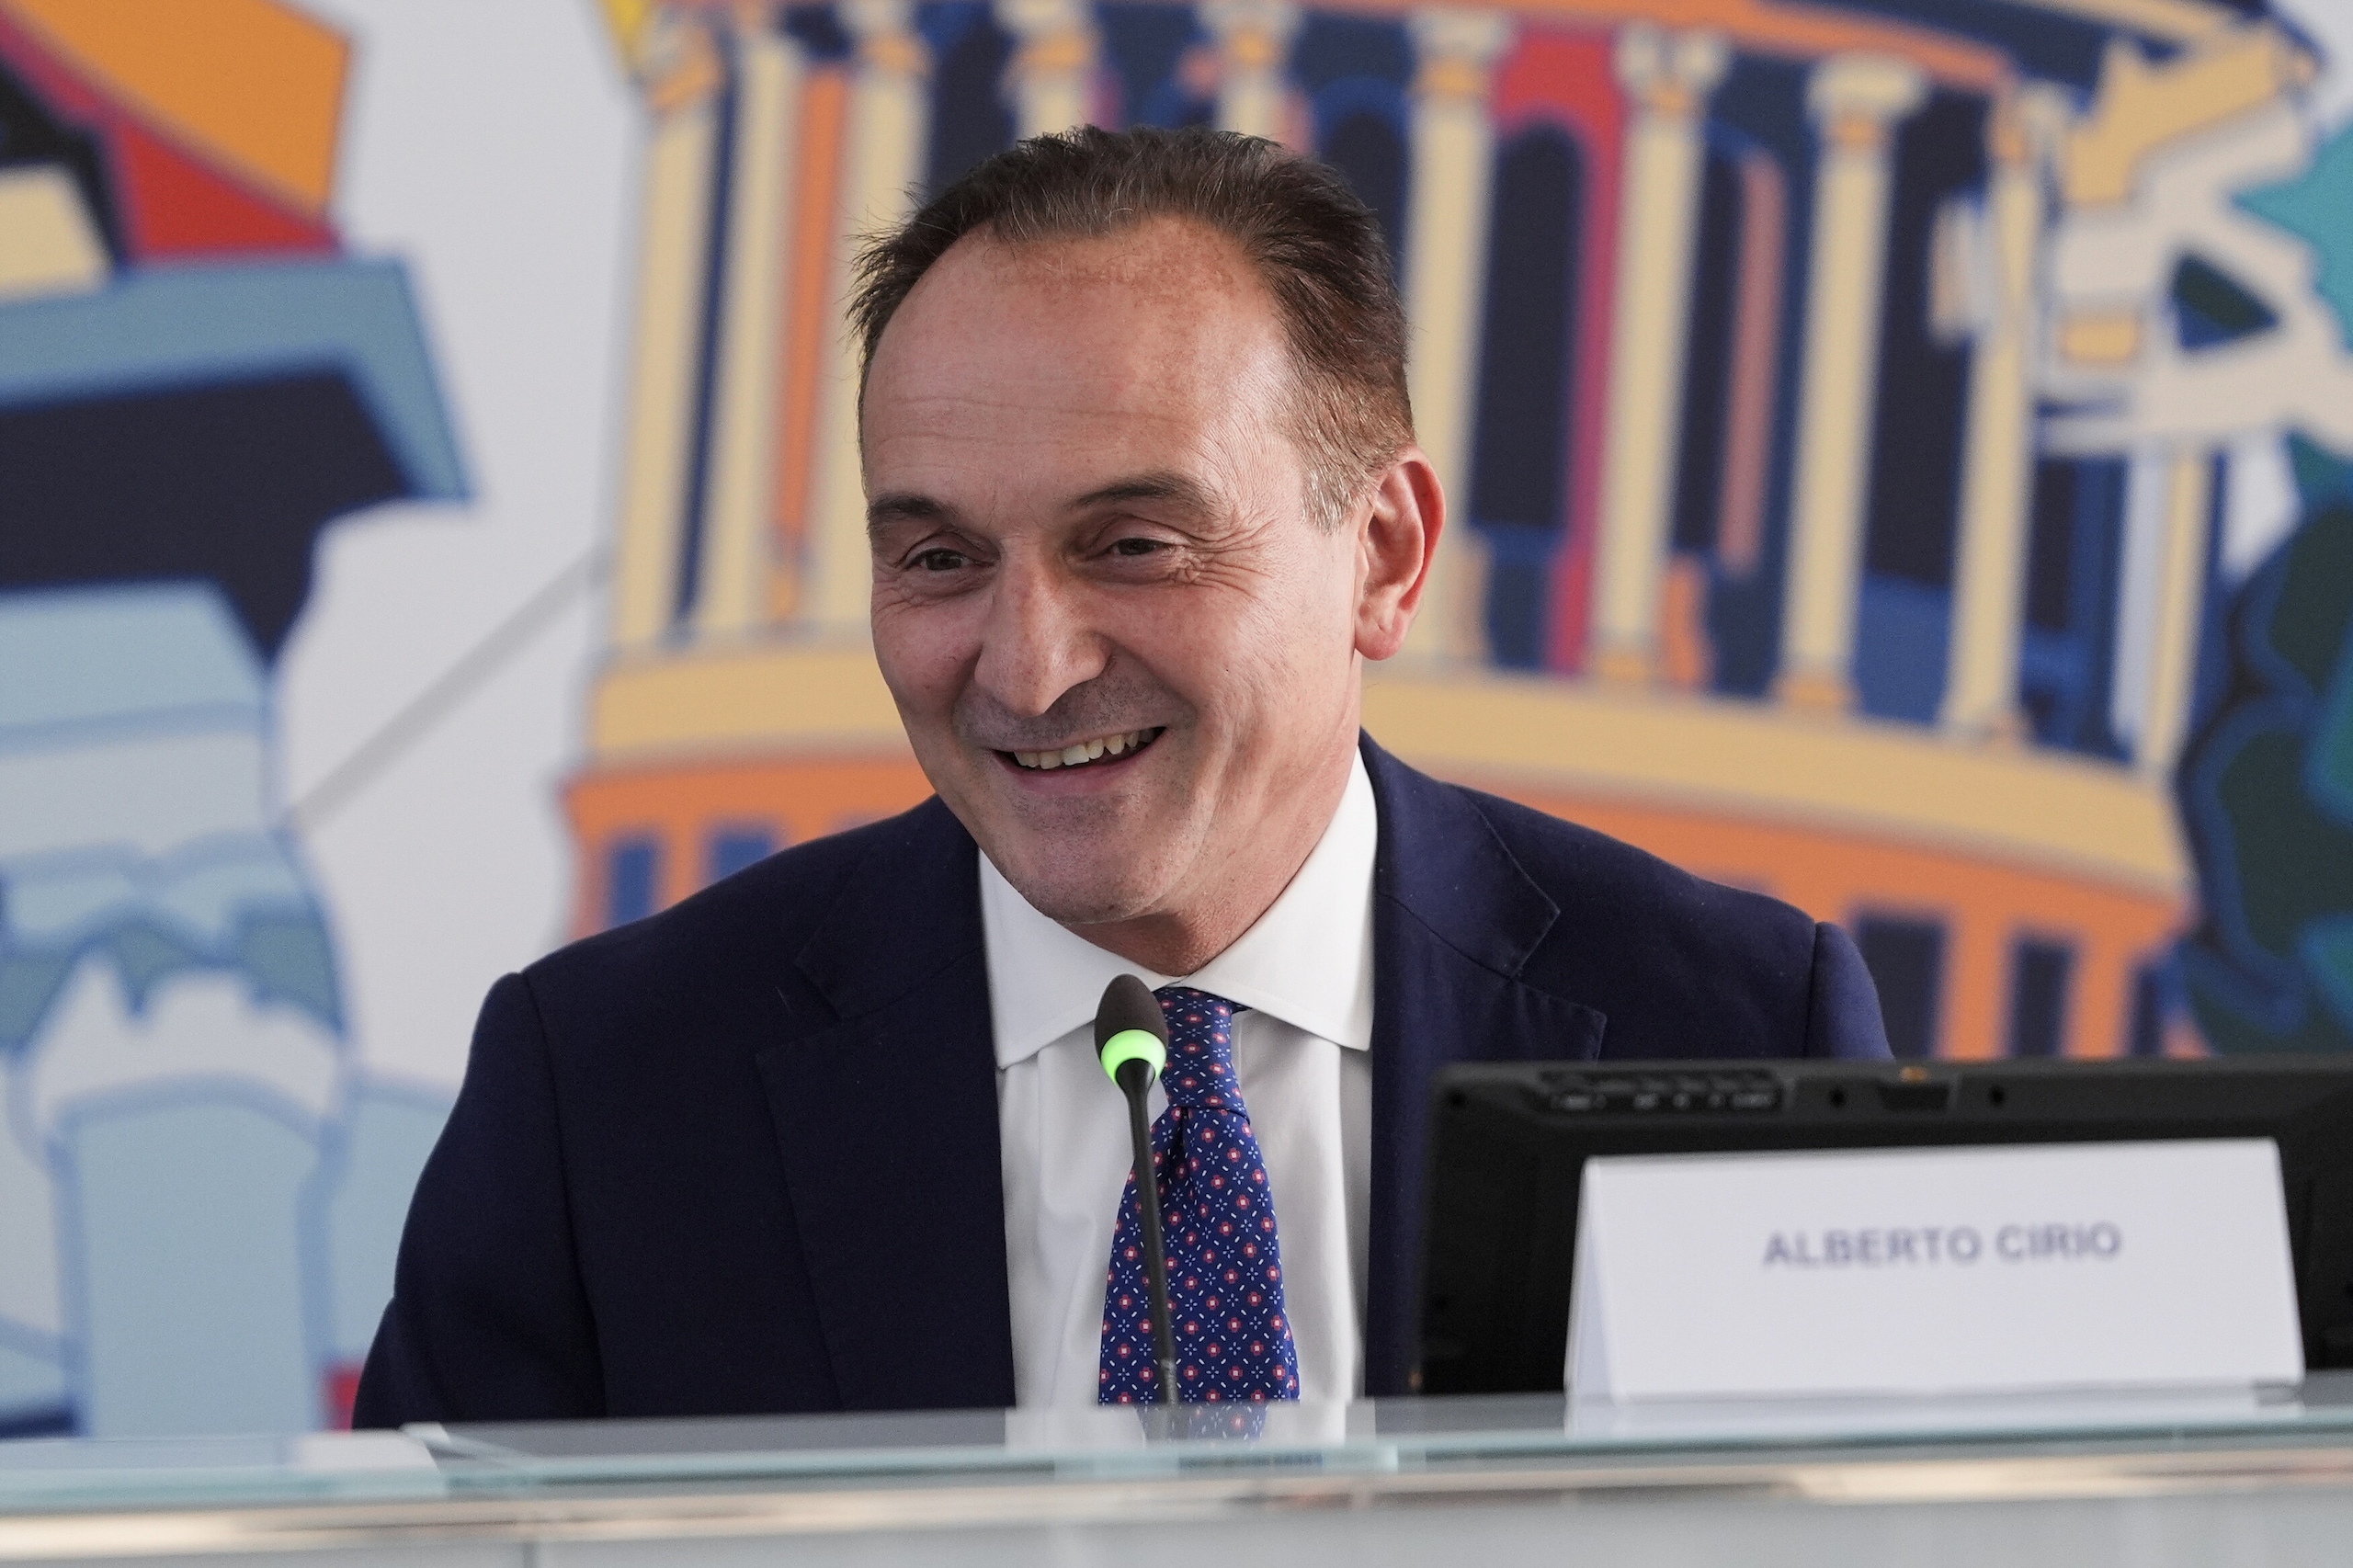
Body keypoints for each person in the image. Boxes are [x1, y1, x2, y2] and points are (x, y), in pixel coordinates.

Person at [355, 126, 1887, 1426]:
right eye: (940, 559)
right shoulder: (607, 1093)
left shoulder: (1739, 1029)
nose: (1027, 670)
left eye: (1133, 545)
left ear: (1383, 555)